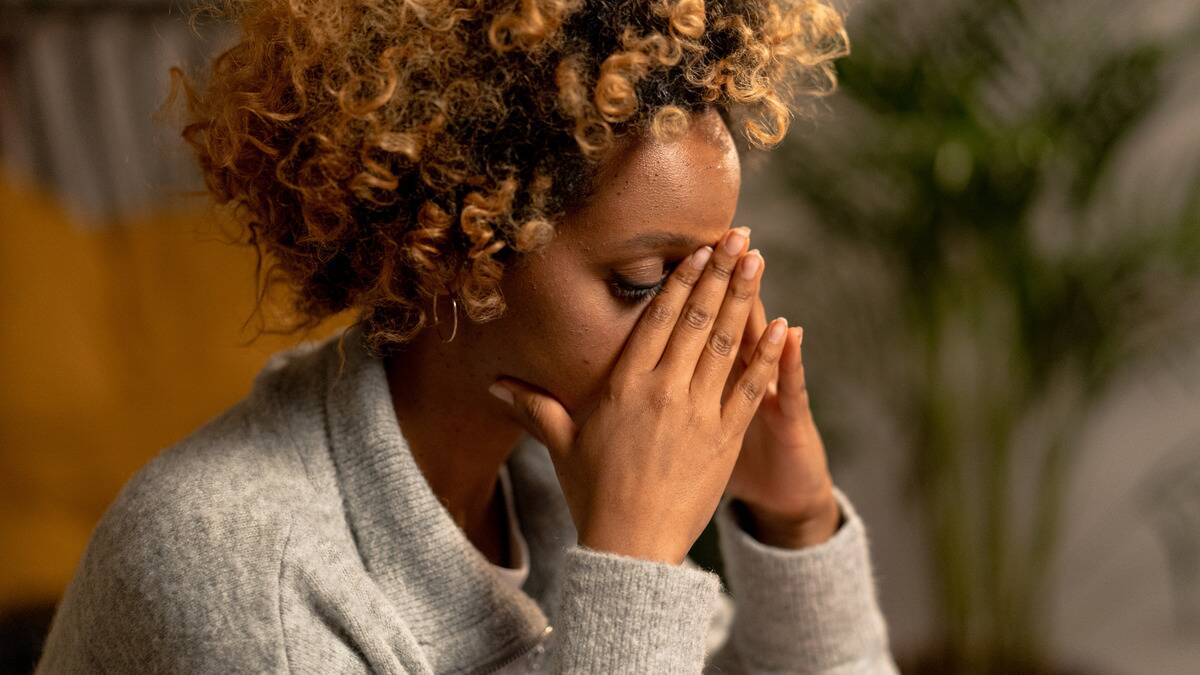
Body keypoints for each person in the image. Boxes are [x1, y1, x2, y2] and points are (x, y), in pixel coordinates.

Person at [37, 0, 899, 672]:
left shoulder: (551, 480)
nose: (701, 332)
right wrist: (633, 564)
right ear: (459, 248)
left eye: (713, 274)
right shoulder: (239, 574)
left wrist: (795, 519)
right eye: (643, 283)